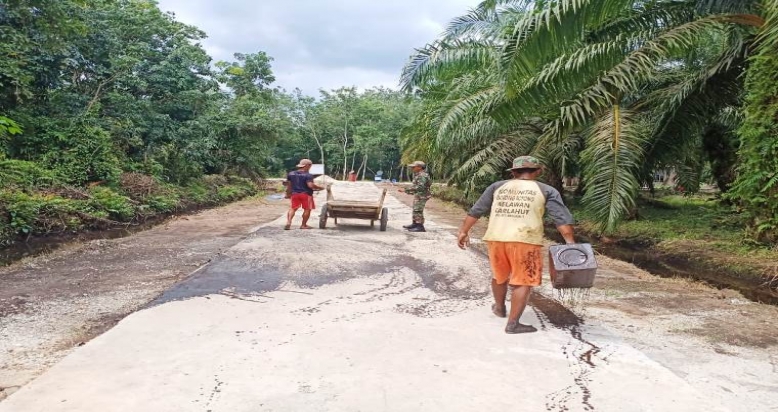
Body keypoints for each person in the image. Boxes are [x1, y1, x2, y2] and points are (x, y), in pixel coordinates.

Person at [457, 156, 576, 334]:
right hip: (525, 241)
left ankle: (499, 308)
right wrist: (570, 244)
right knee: (523, 281)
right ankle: (513, 324)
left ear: (513, 172)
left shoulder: (498, 187)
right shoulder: (546, 190)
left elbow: (477, 210)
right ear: (538, 171)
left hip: (496, 238)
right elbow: (561, 220)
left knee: (499, 276)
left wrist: (463, 232)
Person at [284, 159, 324, 230]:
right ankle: (303, 225)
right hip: (306, 194)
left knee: (293, 208)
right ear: (307, 166)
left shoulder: (291, 174)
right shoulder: (308, 175)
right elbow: (310, 185)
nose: (310, 167)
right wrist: (319, 187)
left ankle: (288, 222)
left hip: (295, 194)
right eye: (310, 166)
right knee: (307, 209)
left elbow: (289, 185)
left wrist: (288, 193)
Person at [399, 161, 431, 232]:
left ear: (419, 167)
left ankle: (420, 227)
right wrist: (406, 190)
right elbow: (416, 187)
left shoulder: (422, 175)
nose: (412, 168)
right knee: (415, 209)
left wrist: (406, 189)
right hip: (419, 195)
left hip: (422, 195)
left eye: (414, 167)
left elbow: (420, 187)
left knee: (418, 210)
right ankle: (415, 224)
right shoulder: (419, 175)